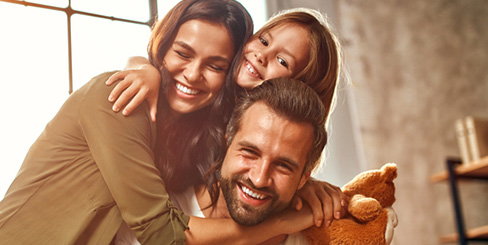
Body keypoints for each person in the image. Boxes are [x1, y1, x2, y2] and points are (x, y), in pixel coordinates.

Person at [0, 1, 321, 244]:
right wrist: (283, 222)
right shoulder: (118, 100)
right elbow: (164, 235)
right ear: (162, 45)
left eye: (215, 66)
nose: (193, 74)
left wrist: (305, 189)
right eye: (182, 54)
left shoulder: (204, 135)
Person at [106, 7, 345, 228]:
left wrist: (305, 185)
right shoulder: (211, 85)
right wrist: (146, 70)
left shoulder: (267, 161)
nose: (261, 55)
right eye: (263, 40)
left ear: (299, 89)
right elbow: (146, 61)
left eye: (282, 61)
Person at [115, 78, 328, 244]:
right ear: (226, 143)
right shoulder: (149, 223)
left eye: (283, 166)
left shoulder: (313, 237)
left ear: (304, 178)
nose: (260, 178)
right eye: (250, 152)